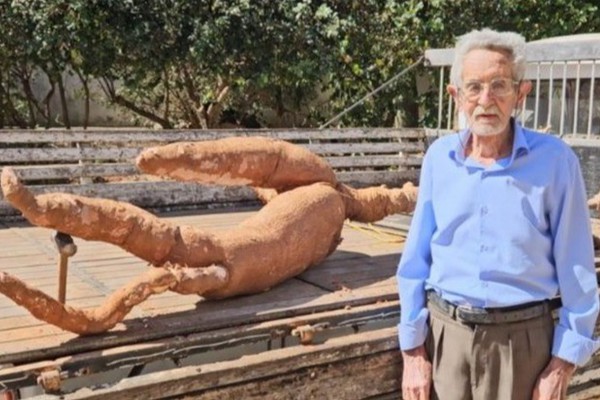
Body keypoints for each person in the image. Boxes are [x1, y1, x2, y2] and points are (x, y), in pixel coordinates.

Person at [396, 28, 600, 400]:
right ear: (456, 96)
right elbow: (415, 262)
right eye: (474, 87)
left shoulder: (555, 163)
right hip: (446, 340)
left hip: (522, 346)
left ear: (520, 93)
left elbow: (579, 272)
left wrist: (562, 365)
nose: (486, 100)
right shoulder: (439, 160)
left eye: (499, 85)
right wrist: (412, 351)